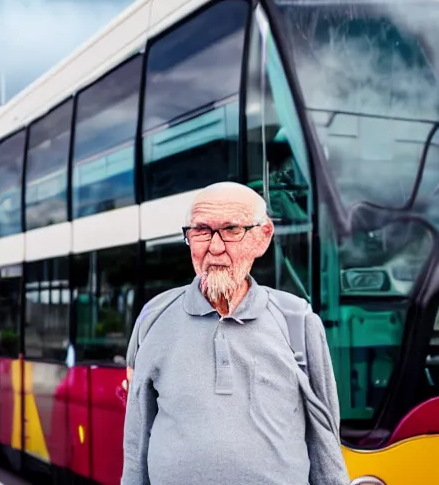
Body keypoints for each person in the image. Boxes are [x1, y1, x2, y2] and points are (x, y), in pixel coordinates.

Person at [121, 181, 350, 485]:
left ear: (262, 237)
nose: (215, 247)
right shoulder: (153, 317)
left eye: (231, 230)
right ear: (188, 238)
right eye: (201, 230)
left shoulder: (297, 320)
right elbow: (137, 435)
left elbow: (324, 435)